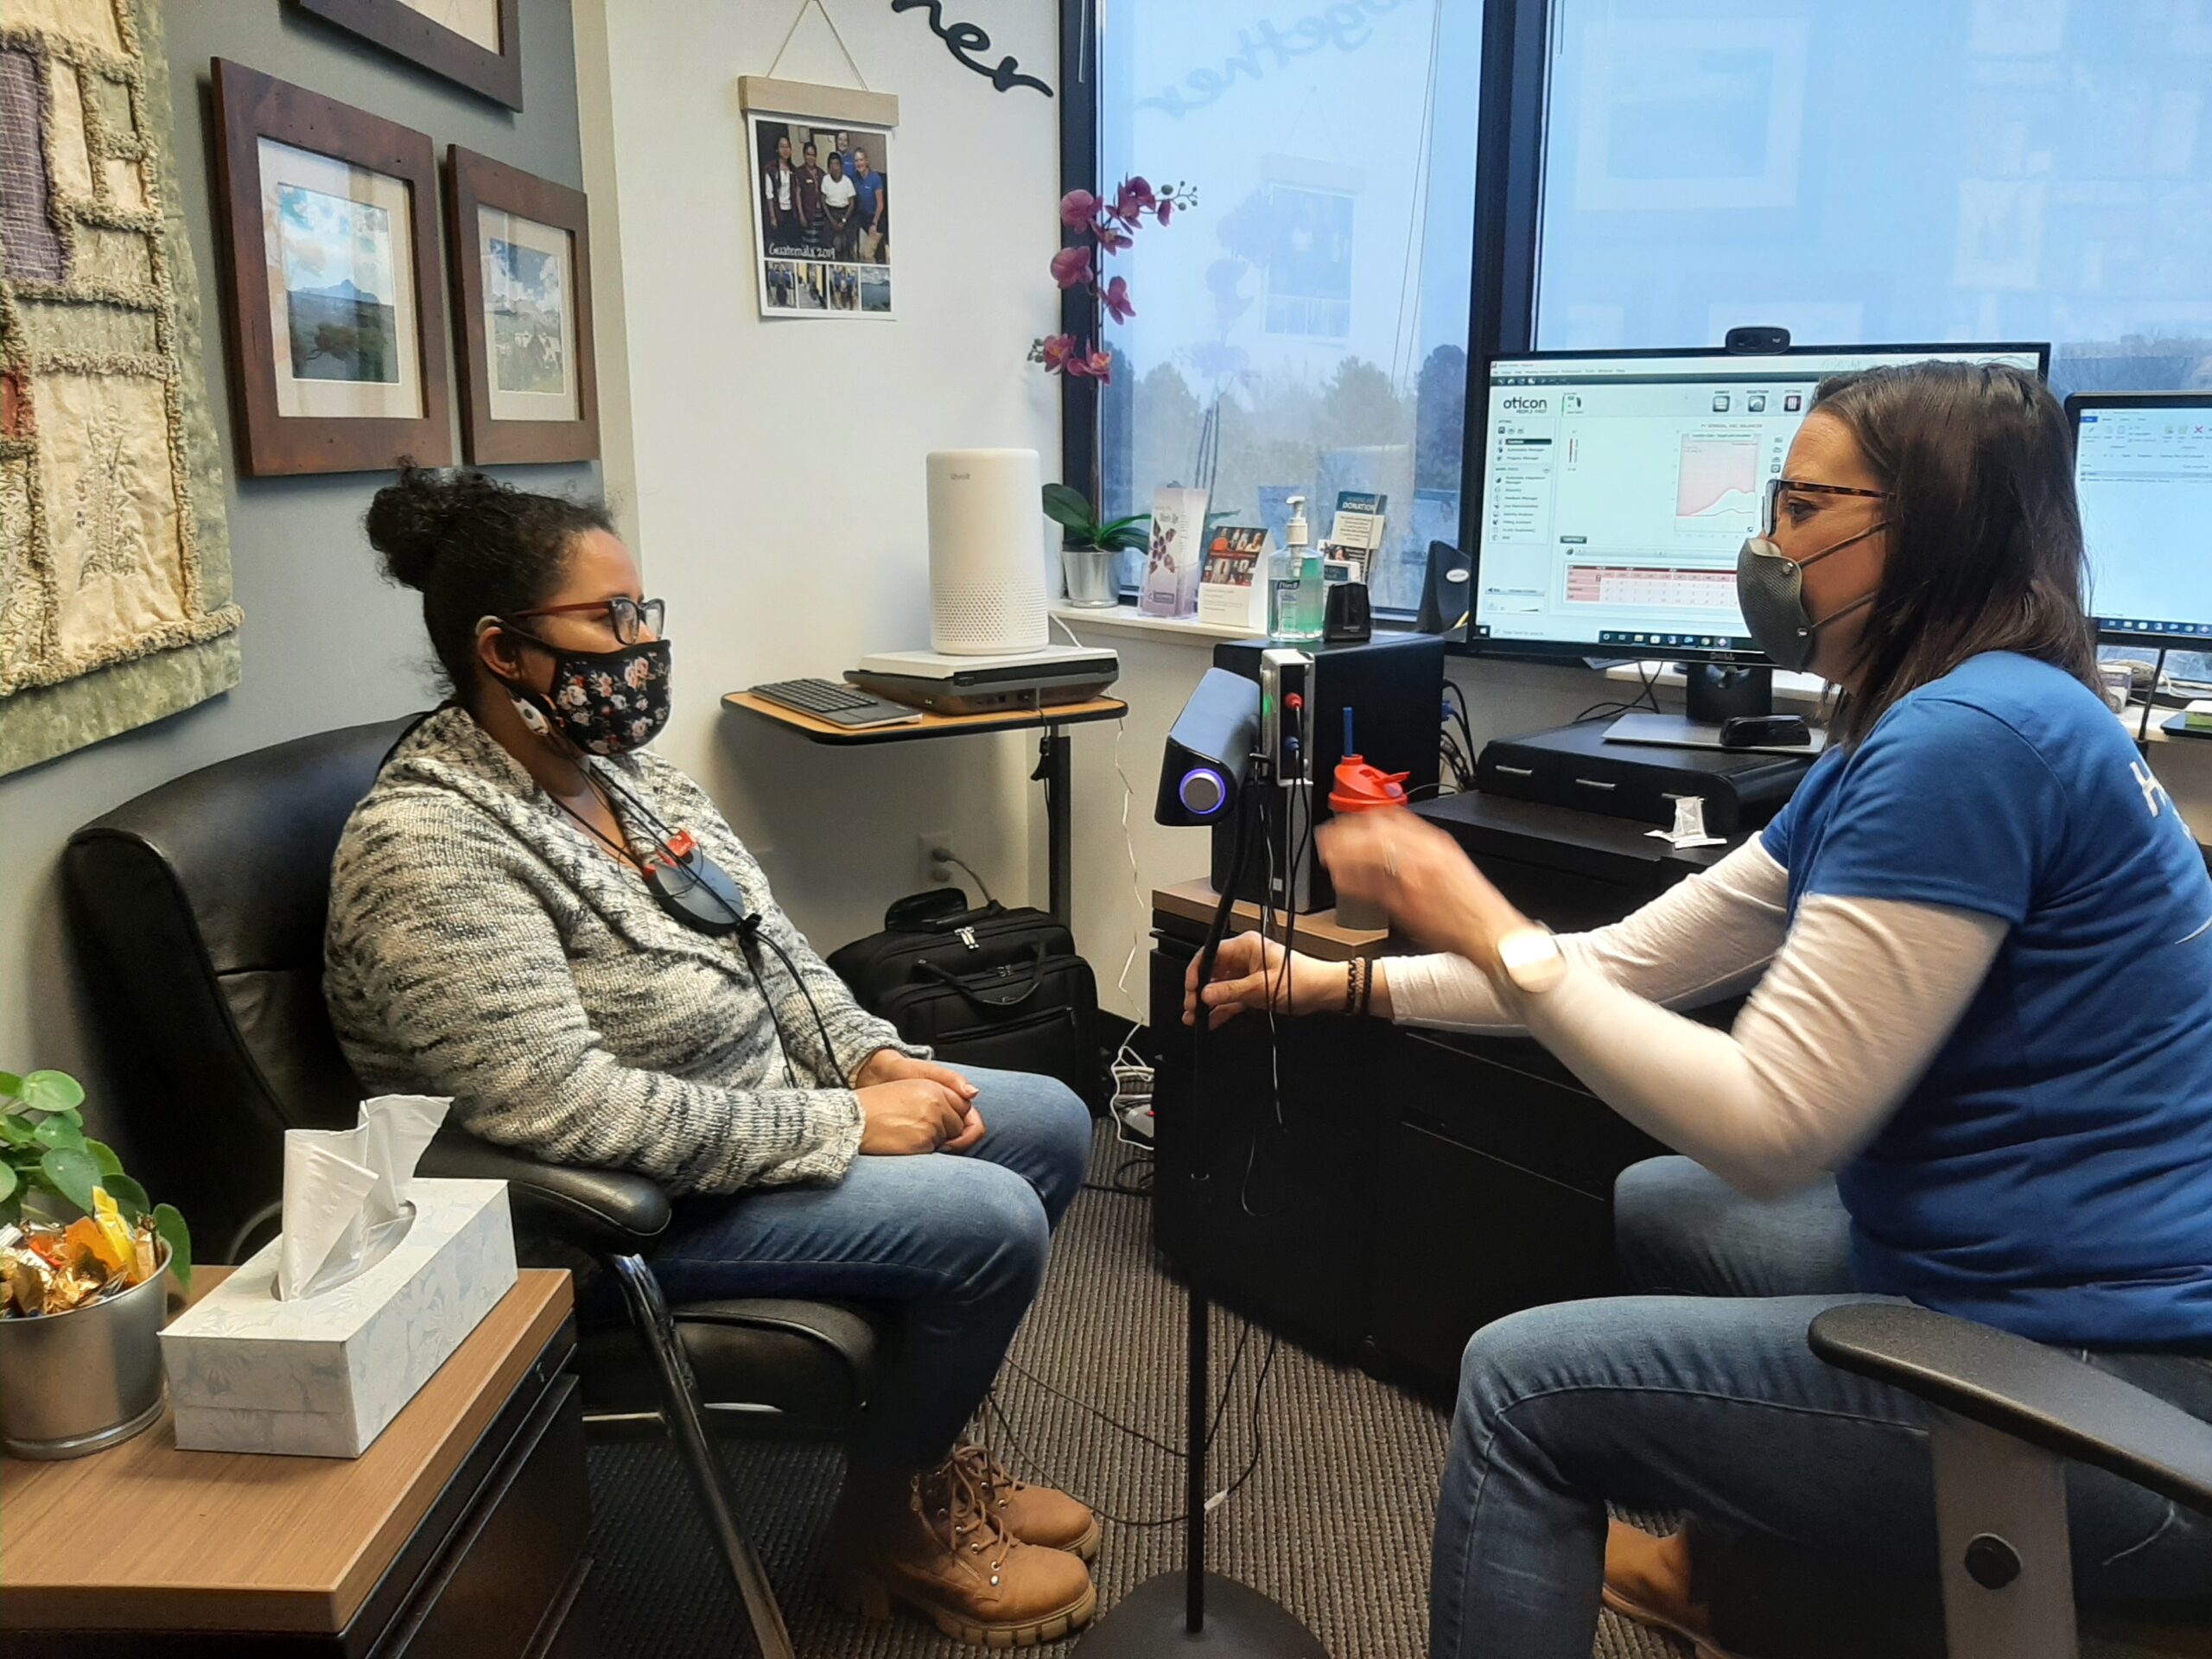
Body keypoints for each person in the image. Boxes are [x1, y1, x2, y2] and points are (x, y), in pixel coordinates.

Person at [1187, 360, 2212, 1657]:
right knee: (1661, 1202)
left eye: (1797, 506)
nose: (1763, 545)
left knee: (1520, 1389)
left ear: (1925, 531)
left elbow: (1774, 1126)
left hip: (2115, 1405)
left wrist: (1492, 927)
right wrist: (1349, 982)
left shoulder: (1965, 748)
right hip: (2050, 1301)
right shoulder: (1973, 720)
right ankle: (1727, 1580)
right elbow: (1630, 961)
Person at [328, 467, 1100, 1647]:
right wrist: (837, 1130)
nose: (642, 647)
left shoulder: (628, 781)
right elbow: (560, 1109)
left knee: (1045, 1116)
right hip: (608, 1220)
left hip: (739, 1127)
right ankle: (889, 1524)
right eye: (609, 621)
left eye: (645, 614)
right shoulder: (428, 845)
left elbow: (773, 951)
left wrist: (871, 1064)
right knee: (991, 1219)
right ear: (504, 651)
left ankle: (915, 1459)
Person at [760, 131, 800, 253]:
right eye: (782, 147)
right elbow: (769, 195)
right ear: (777, 149)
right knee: (779, 244)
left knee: (792, 244)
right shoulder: (771, 169)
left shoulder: (793, 170)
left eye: (787, 147)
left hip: (791, 211)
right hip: (778, 212)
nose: (785, 150)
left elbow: (797, 192)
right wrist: (773, 217)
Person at [849, 144, 887, 262]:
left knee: (867, 254)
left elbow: (880, 204)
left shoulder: (875, 178)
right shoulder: (854, 178)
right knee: (860, 253)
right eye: (856, 160)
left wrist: (874, 224)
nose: (859, 163)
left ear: (866, 161)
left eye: (861, 160)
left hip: (877, 220)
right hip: (864, 220)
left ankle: (872, 278)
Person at [820, 149, 859, 263]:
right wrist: (831, 220)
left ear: (841, 166)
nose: (834, 167)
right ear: (828, 167)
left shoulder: (847, 181)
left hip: (845, 214)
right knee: (827, 244)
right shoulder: (825, 180)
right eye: (831, 164)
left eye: (837, 164)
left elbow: (852, 204)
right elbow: (823, 200)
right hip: (830, 213)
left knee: (847, 244)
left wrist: (844, 220)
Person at [796, 139, 826, 251]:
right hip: (808, 214)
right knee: (809, 245)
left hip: (821, 214)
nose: (811, 158)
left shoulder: (821, 173)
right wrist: (801, 215)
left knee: (819, 245)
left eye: (813, 155)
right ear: (804, 155)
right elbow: (798, 195)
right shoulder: (799, 172)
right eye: (808, 154)